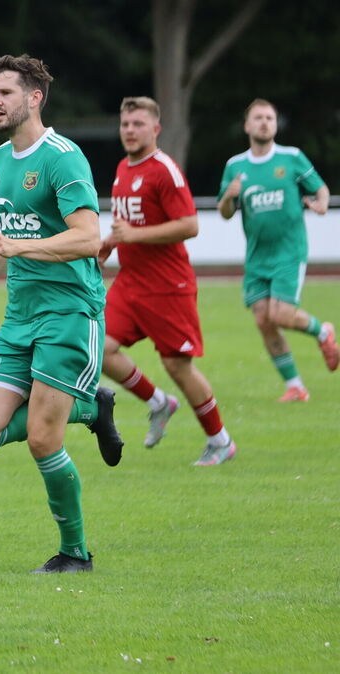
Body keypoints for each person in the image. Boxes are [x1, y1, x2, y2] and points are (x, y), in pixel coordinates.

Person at [0, 55, 124, 574]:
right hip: (21, 315)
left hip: (70, 312)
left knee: (42, 439)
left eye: (5, 92)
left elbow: (87, 238)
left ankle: (75, 552)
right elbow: (14, 232)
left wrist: (15, 246)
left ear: (35, 98)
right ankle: (91, 408)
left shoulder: (63, 157)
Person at [98, 97, 237, 466]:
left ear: (155, 129)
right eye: (125, 124)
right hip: (130, 284)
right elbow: (126, 224)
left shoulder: (165, 171)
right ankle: (159, 402)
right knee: (99, 349)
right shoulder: (122, 168)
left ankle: (220, 440)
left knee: (178, 365)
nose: (130, 130)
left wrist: (131, 236)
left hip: (167, 286)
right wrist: (110, 242)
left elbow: (190, 225)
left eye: (138, 124)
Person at [218, 98, 336, 401]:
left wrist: (321, 203)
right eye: (258, 118)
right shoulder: (235, 166)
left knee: (281, 314)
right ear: (247, 125)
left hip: (288, 251)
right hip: (257, 256)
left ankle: (323, 332)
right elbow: (225, 212)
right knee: (263, 320)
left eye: (269, 118)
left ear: (275, 124)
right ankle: (295, 385)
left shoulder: (291, 157)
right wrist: (229, 197)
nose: (264, 122)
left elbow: (321, 189)